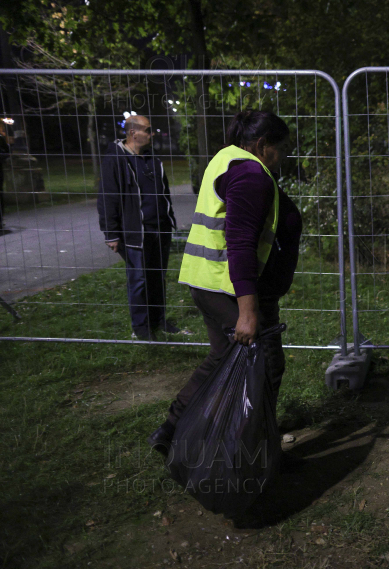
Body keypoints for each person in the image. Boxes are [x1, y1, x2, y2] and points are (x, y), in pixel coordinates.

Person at [148, 110, 302, 460]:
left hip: (209, 283)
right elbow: (240, 242)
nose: (287, 155)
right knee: (265, 367)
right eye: (284, 148)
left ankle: (174, 428)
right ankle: (253, 452)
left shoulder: (228, 158)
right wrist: (247, 312)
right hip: (230, 290)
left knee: (223, 359)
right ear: (264, 146)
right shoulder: (250, 174)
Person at [97, 115, 186, 340]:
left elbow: (163, 193)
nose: (152, 133)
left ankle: (158, 320)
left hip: (160, 229)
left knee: (157, 277)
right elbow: (108, 198)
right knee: (139, 280)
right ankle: (141, 328)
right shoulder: (114, 160)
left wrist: (169, 219)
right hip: (135, 233)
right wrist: (111, 234)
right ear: (133, 133)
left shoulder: (152, 159)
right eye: (148, 130)